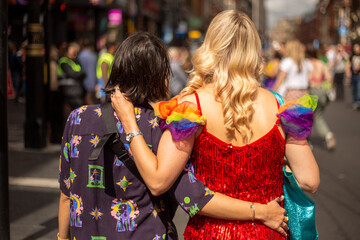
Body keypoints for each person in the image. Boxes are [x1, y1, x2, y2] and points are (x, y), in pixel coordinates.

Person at [58, 32, 287, 240]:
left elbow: (66, 194)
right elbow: (194, 198)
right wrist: (262, 211)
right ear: (159, 76)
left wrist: (62, 237)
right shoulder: (163, 125)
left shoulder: (77, 118)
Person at [111, 11, 319, 239]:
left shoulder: (190, 107)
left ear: (211, 47)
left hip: (210, 233)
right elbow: (310, 181)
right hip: (269, 231)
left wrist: (130, 122)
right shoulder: (280, 106)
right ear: (253, 51)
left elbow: (158, 181)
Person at [307, 47, 336, 150]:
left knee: (307, 116)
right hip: (321, 91)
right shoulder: (321, 63)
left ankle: (306, 141)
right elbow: (329, 77)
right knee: (318, 115)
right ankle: (327, 134)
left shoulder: (307, 64)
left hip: (311, 91)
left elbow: (307, 78)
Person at [58, 42, 86, 116]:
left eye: (76, 52)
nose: (74, 54)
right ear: (67, 52)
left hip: (76, 91)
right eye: (73, 52)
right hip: (69, 92)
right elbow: (73, 74)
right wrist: (79, 74)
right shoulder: (63, 61)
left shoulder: (75, 62)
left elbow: (83, 73)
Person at [78, 39, 97, 105]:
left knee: (87, 98)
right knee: (91, 97)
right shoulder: (93, 55)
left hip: (84, 80)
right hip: (92, 80)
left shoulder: (81, 55)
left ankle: (90, 113)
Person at [347, 43, 360, 109]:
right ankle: (355, 102)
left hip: (358, 75)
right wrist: (348, 73)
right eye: (355, 47)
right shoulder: (352, 56)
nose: (356, 49)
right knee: (354, 89)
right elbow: (349, 64)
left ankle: (358, 102)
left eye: (357, 47)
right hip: (353, 75)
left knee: (358, 89)